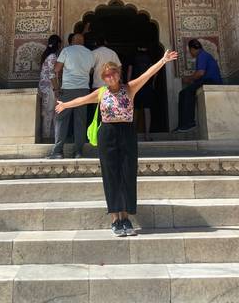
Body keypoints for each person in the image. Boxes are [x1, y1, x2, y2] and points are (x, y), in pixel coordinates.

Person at [56, 49, 178, 236]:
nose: (110, 78)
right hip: (107, 135)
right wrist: (65, 104)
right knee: (111, 176)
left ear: (118, 75)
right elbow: (81, 100)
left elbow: (147, 74)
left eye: (113, 74)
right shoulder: (100, 93)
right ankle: (115, 219)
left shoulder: (129, 88)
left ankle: (126, 217)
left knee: (127, 174)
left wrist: (162, 61)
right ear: (103, 78)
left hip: (127, 134)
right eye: (106, 76)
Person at [50, 32, 94, 159]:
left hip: (68, 90)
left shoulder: (67, 51)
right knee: (80, 122)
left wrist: (56, 88)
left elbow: (56, 69)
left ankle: (58, 152)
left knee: (61, 121)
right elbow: (91, 70)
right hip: (84, 91)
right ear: (83, 41)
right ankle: (78, 152)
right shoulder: (89, 53)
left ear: (72, 41)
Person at [176, 39, 222, 132]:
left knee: (187, 92)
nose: (190, 53)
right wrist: (192, 80)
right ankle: (182, 124)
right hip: (207, 80)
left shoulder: (202, 55)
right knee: (183, 93)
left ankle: (189, 123)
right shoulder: (203, 55)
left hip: (212, 81)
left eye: (190, 51)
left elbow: (200, 73)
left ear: (193, 49)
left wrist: (188, 79)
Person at [127, 44, 154, 141]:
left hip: (136, 85)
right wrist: (153, 83)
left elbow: (130, 70)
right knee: (147, 109)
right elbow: (153, 72)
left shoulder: (133, 56)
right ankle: (147, 134)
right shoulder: (149, 56)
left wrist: (128, 85)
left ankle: (133, 134)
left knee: (135, 110)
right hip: (147, 85)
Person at [38, 34, 62, 139]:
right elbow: (52, 74)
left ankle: (48, 136)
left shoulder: (46, 55)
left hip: (45, 87)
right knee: (50, 112)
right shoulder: (52, 56)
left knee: (47, 112)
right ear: (58, 44)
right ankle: (47, 137)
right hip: (50, 87)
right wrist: (56, 89)